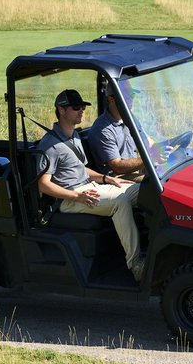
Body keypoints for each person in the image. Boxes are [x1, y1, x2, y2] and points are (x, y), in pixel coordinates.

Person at [36, 89, 145, 281]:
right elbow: (43, 185)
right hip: (70, 199)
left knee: (145, 191)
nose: (82, 111)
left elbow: (82, 169)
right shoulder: (50, 145)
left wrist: (106, 178)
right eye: (76, 107)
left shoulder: (74, 136)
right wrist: (76, 196)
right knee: (120, 201)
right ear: (61, 110)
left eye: (83, 107)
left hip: (90, 188)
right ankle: (136, 265)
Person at [87, 82, 145, 181]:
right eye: (127, 96)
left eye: (132, 95)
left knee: (168, 174)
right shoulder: (102, 129)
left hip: (134, 169)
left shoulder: (129, 117)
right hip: (116, 178)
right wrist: (149, 159)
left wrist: (164, 147)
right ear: (111, 99)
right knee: (155, 184)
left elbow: (147, 141)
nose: (131, 99)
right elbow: (117, 167)